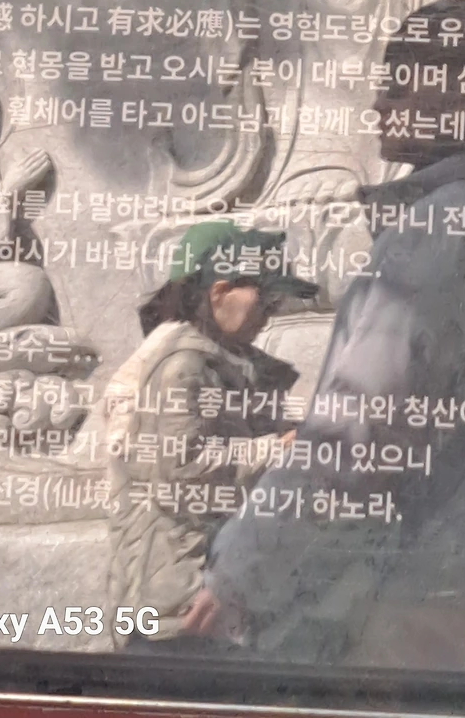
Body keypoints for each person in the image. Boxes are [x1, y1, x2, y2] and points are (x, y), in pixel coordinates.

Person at [180, 0, 465, 671]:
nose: (379, 104)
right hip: (459, 561)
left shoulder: (443, 227)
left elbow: (360, 426)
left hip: (399, 564)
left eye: (398, 83)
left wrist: (240, 570)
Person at [100, 222, 316, 649]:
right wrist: (279, 448)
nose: (269, 314)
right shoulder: (182, 365)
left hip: (207, 596)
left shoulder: (220, 362)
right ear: (219, 293)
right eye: (265, 299)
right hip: (180, 605)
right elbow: (183, 474)